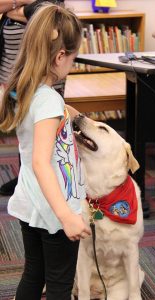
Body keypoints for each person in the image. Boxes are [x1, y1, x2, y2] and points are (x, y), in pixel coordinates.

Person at [0, 3, 91, 300]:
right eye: (73, 57)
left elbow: (53, 115)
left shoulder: (23, 87)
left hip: (31, 204)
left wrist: (76, 120)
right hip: (54, 210)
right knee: (59, 286)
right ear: (60, 56)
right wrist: (66, 216)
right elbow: (41, 162)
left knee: (33, 273)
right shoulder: (48, 101)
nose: (72, 64)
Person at [0, 0, 65, 196]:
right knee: (24, 129)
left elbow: (44, 13)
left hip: (42, 77)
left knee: (42, 132)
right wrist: (21, 4)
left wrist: (11, 7)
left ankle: (45, 181)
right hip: (10, 76)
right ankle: (24, 177)